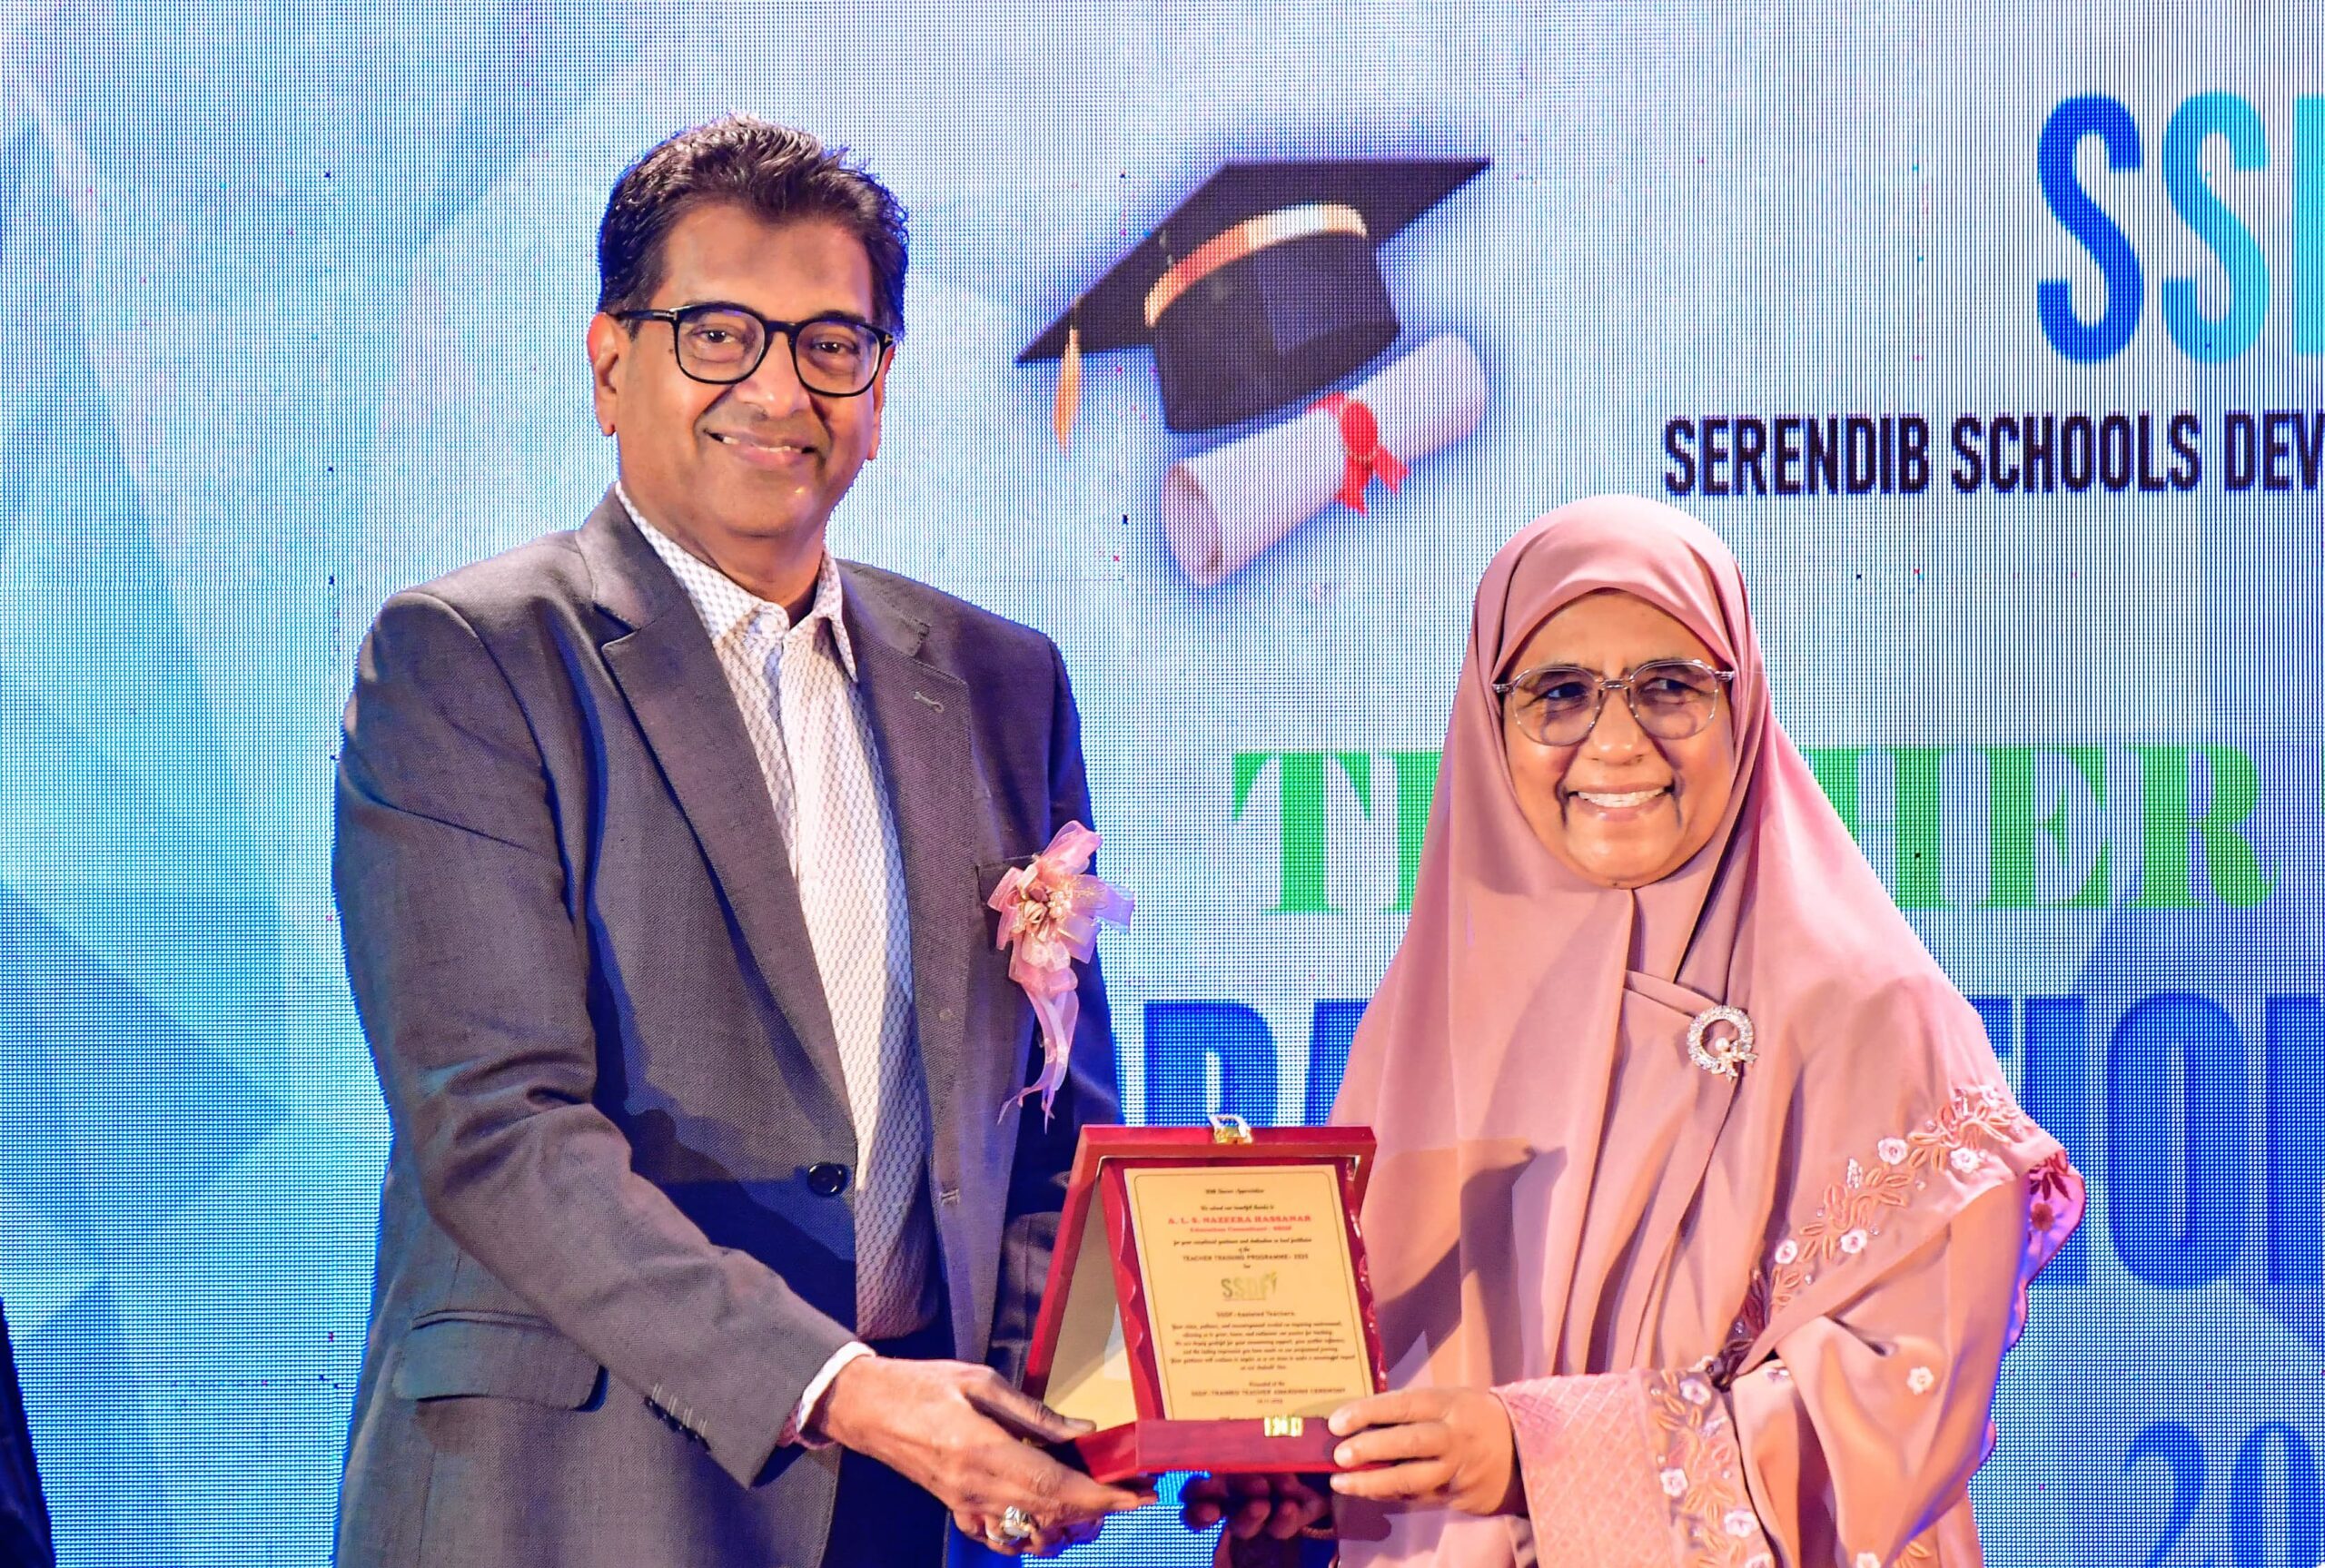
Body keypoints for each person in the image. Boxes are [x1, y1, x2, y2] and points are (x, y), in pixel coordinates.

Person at [331, 115, 1149, 1567]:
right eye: (718, 334)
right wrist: (845, 1390)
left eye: (833, 344)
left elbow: (1054, 1115)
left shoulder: (998, 678)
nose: (778, 388)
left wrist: (1039, 1413)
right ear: (611, 364)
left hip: (914, 1507)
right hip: (579, 1495)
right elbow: (497, 1124)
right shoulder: (469, 657)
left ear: (881, 389)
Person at [1189, 495, 2083, 1565]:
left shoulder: (1874, 1010)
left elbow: (1902, 1403)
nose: (1615, 742)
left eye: (1670, 687)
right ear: (1488, 718)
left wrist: (1539, 1454)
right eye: (1558, 693)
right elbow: (1385, 1372)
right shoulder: (1429, 1014)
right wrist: (1325, 1478)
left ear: (1741, 702)